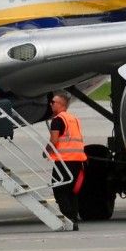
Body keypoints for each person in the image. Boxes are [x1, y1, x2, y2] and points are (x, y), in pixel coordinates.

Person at [45, 92, 87, 229]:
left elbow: (54, 140)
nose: (51, 104)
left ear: (61, 104)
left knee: (59, 189)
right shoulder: (73, 119)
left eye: (53, 102)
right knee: (71, 191)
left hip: (64, 161)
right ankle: (74, 217)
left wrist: (47, 151)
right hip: (77, 161)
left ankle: (69, 218)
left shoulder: (57, 120)